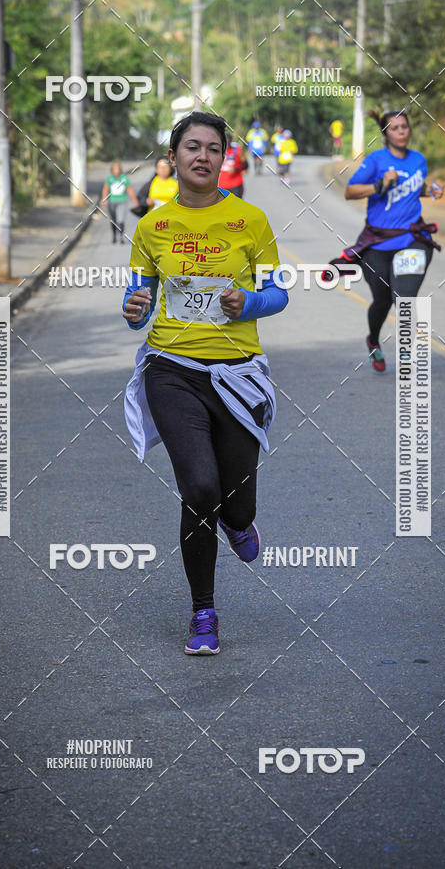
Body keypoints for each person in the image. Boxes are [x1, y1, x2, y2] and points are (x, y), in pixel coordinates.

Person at [122, 111, 288, 656]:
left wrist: (252, 302)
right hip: (171, 370)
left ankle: (240, 523)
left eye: (212, 148)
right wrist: (133, 309)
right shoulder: (152, 226)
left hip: (237, 376)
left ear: (223, 158)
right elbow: (137, 303)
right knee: (198, 489)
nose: (201, 156)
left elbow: (279, 294)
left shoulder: (252, 221)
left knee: (235, 504)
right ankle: (203, 613)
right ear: (173, 158)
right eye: (190, 146)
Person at [332, 109, 444, 372]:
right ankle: (373, 340)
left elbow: (416, 188)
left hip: (413, 239)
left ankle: (406, 353)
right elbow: (350, 191)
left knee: (404, 297)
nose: (401, 131)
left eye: (404, 126)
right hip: (377, 243)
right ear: (385, 133)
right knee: (382, 300)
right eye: (395, 128)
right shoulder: (375, 161)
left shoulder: (418, 160)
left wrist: (432, 190)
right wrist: (380, 184)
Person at [101, 161, 139, 244]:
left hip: (122, 201)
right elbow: (106, 189)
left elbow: (129, 189)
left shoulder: (124, 178)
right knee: (113, 220)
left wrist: (135, 200)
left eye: (118, 168)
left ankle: (121, 236)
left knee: (120, 220)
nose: (116, 170)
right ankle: (114, 235)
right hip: (112, 202)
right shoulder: (109, 179)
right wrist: (104, 198)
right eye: (115, 168)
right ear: (112, 170)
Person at [218, 132, 248, 199]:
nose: (226, 144)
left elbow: (245, 163)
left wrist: (237, 168)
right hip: (222, 185)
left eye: (227, 142)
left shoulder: (237, 150)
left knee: (237, 207)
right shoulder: (217, 151)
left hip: (235, 184)